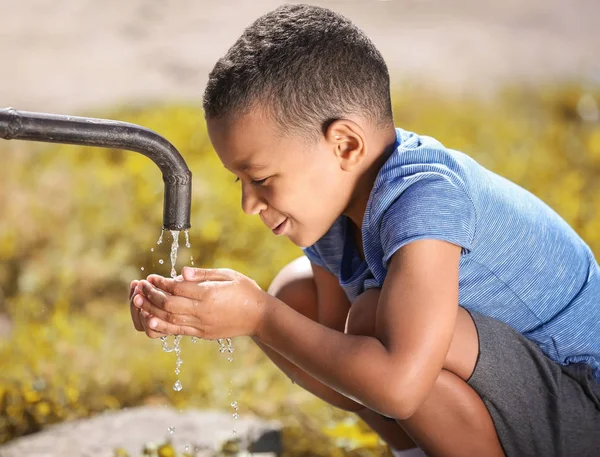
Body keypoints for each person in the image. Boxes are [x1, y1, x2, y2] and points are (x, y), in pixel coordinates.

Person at [129, 4, 600, 456]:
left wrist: (258, 317)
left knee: (375, 325)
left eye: (262, 179)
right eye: (241, 181)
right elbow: (345, 368)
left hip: (583, 403)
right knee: (298, 300)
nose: (248, 204)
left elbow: (395, 388)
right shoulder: (333, 219)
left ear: (346, 145)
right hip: (526, 394)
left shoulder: (425, 198)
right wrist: (220, 313)